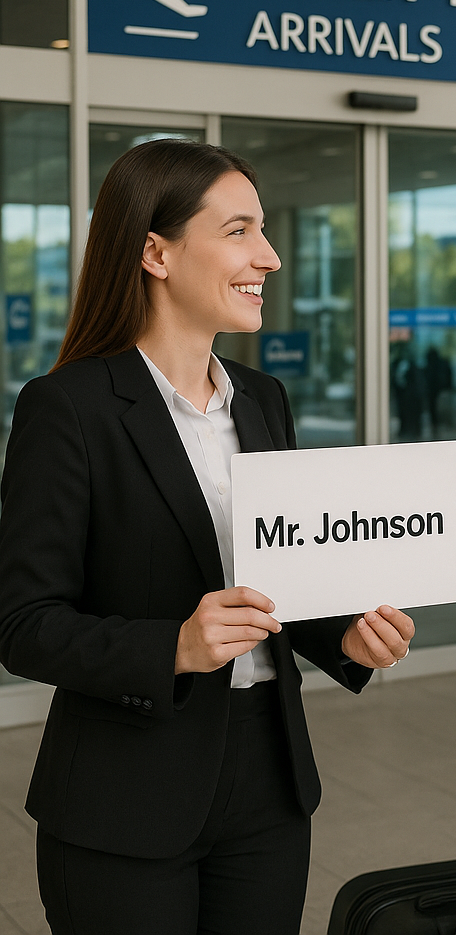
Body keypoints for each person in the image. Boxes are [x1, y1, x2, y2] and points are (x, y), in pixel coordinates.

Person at [0, 139, 416, 935]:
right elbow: (23, 626)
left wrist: (347, 640)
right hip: (127, 792)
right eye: (239, 231)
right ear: (155, 252)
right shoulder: (69, 408)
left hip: (268, 779)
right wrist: (176, 647)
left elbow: (283, 581)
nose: (270, 256)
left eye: (262, 230)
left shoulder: (262, 400)